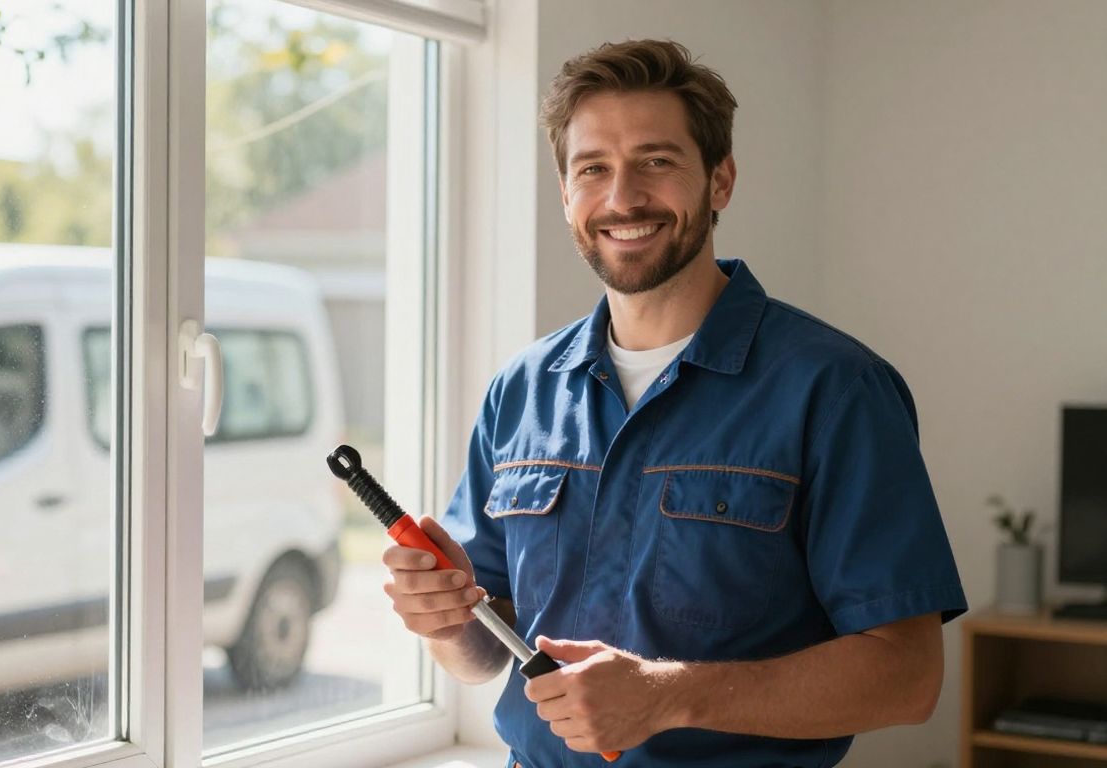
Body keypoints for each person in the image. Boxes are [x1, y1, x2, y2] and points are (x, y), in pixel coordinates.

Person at [381, 39, 967, 767]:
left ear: (719, 180)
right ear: (565, 192)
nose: (623, 198)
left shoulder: (835, 388)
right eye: (593, 169)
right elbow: (482, 651)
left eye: (656, 162)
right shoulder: (522, 390)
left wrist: (670, 694)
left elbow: (907, 678)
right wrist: (444, 622)